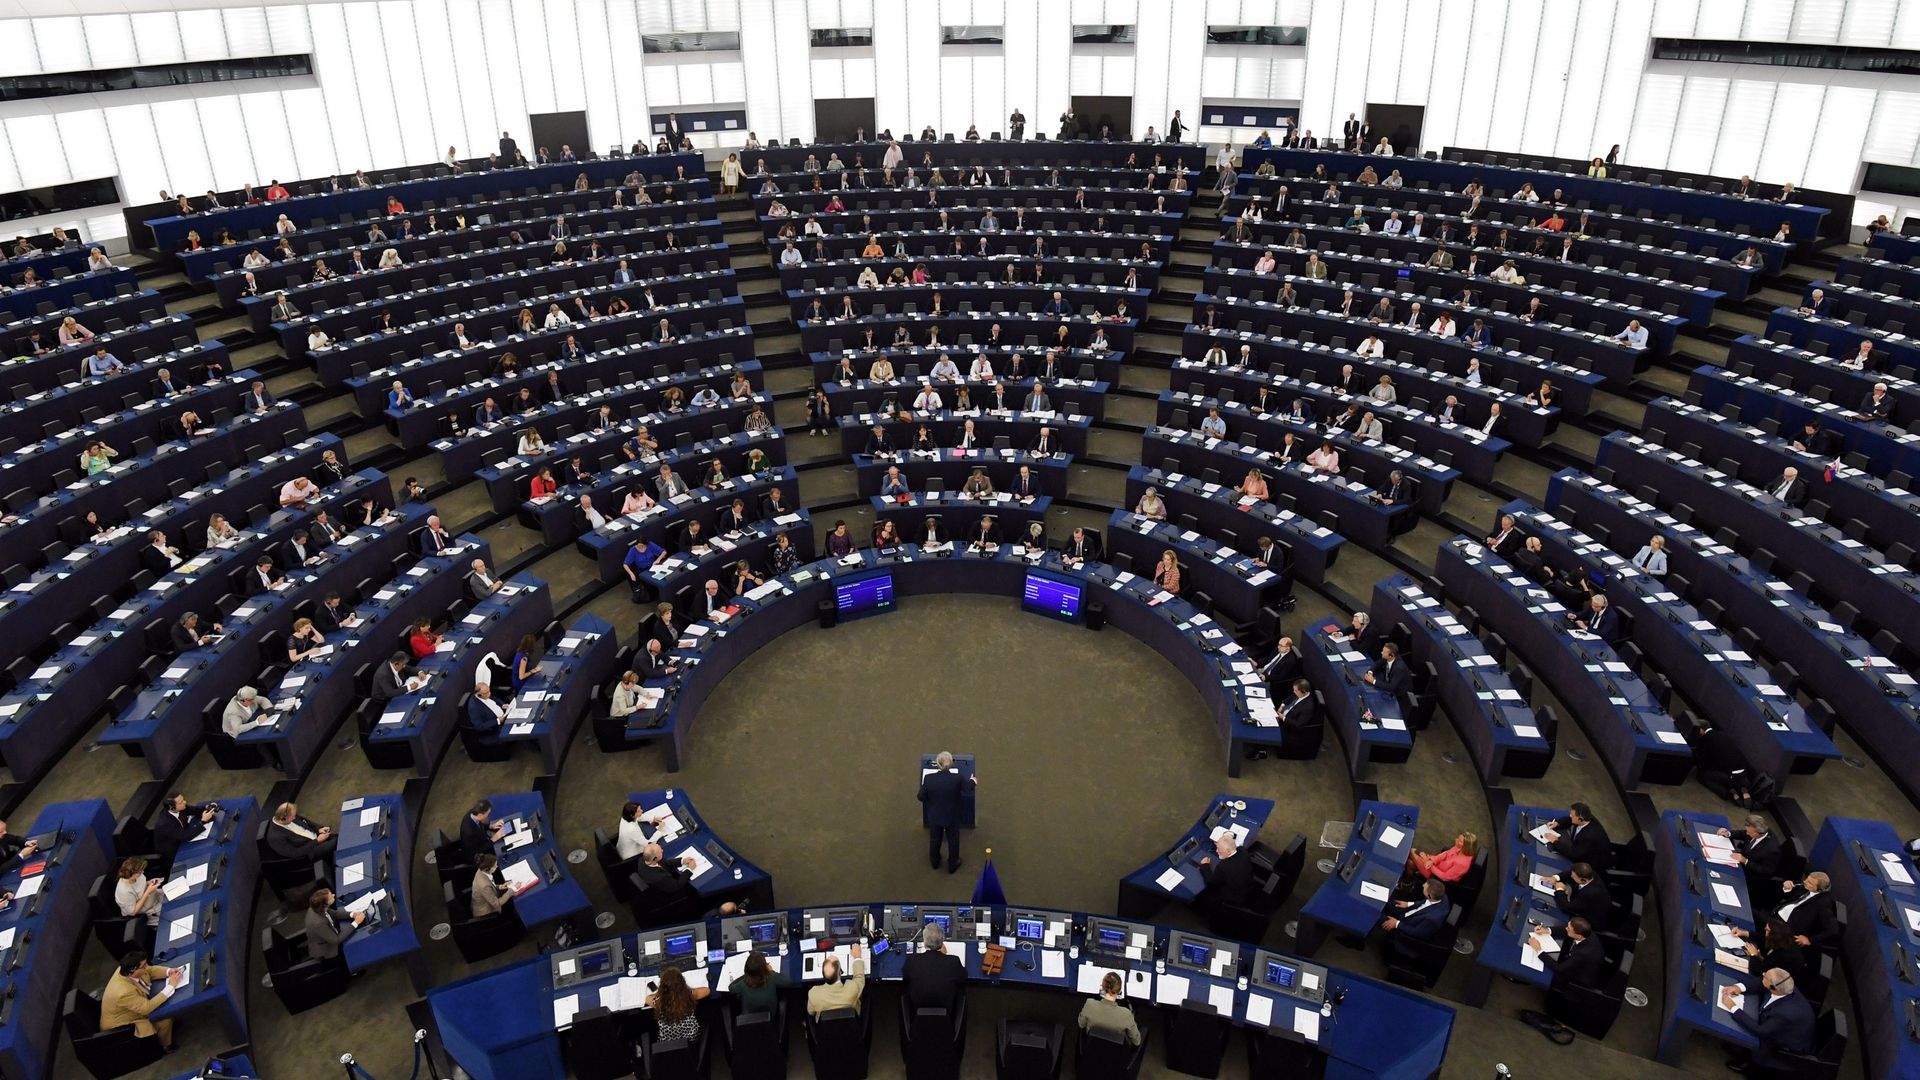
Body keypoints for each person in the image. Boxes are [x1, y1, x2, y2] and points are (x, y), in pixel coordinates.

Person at [1721, 968, 1815, 1073]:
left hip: (1784, 1046)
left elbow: (1760, 1030)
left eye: (1766, 976)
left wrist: (1733, 1008)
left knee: (1755, 1041)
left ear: (1773, 988)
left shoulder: (1785, 1013)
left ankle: (1750, 1065)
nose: (1763, 974)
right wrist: (1739, 988)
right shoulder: (1783, 986)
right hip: (1782, 1025)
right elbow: (1761, 982)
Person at [101, 951, 185, 1050]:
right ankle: (166, 1046)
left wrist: (169, 971)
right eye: (144, 966)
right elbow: (146, 1008)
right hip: (123, 1025)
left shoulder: (128, 969)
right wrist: (171, 986)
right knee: (165, 1019)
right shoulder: (122, 992)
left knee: (165, 1006)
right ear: (132, 970)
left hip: (133, 1009)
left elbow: (150, 970)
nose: (147, 967)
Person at [919, 751, 974, 873]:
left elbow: (921, 796)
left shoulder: (928, 778)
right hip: (952, 816)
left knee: (935, 839)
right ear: (951, 764)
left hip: (935, 815)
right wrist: (973, 780)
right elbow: (968, 787)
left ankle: (935, 861)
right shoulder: (957, 778)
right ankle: (953, 864)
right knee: (953, 839)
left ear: (937, 764)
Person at [1380, 879, 1451, 960]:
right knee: (1385, 900)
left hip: (1404, 929)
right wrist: (1409, 904)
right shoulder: (1441, 896)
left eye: (1424, 887)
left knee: (1376, 916)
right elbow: (1426, 902)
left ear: (1430, 895)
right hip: (1408, 912)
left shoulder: (1432, 919)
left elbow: (1416, 932)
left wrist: (1396, 924)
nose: (1423, 885)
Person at [903, 922, 967, 1010]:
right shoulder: (953, 961)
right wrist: (945, 956)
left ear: (924, 942)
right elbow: (963, 978)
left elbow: (905, 978)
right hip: (946, 1008)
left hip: (917, 1007)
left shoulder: (912, 960)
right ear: (942, 942)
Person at [1723, 814, 1784, 896]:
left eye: (1749, 832)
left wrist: (1745, 861)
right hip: (1739, 859)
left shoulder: (1772, 850)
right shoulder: (1756, 831)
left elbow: (1767, 871)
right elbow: (1744, 834)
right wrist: (1729, 833)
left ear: (1758, 833)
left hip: (1749, 874)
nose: (1747, 834)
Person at [1078, 971, 1141, 1045]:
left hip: (1092, 1047)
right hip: (1115, 1052)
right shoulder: (1126, 1015)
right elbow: (1137, 1041)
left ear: (1102, 988)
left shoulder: (1090, 1004)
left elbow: (1081, 1024)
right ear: (1119, 991)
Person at [1544, 803, 1611, 871]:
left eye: (1572, 815)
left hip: (1591, 863)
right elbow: (1570, 820)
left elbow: (1574, 854)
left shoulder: (1588, 837)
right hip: (1581, 849)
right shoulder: (1586, 818)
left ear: (1580, 819)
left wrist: (1555, 841)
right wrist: (1557, 823)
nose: (1570, 816)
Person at [305, 886, 366, 960]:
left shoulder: (318, 907)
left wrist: (352, 914)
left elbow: (334, 914)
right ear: (325, 904)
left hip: (330, 933)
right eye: (331, 897)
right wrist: (356, 922)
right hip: (327, 949)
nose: (334, 895)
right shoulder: (318, 923)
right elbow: (336, 940)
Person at [1197, 833, 1255, 910]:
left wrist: (1205, 865)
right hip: (1248, 886)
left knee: (1206, 893)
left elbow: (1211, 881)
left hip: (1235, 895)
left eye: (1219, 849)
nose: (1217, 851)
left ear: (1228, 851)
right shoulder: (1243, 851)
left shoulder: (1223, 866)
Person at [808, 945, 868, 1017]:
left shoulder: (813, 994)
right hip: (851, 1024)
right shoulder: (852, 989)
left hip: (825, 1026)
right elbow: (859, 977)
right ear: (840, 972)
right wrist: (857, 957)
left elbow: (811, 1012)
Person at [267, 801, 335, 861]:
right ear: (283, 819)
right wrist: (317, 841)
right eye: (292, 817)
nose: (294, 818)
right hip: (310, 851)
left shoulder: (289, 815)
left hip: (317, 836)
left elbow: (306, 821)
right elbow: (295, 853)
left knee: (341, 837)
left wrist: (319, 829)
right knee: (336, 842)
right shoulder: (275, 837)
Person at [115, 856, 164, 930]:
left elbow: (141, 884)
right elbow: (133, 911)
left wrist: (149, 882)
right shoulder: (124, 891)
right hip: (148, 910)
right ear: (132, 873)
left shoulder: (136, 876)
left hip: (154, 896)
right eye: (140, 872)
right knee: (172, 913)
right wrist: (148, 892)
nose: (142, 872)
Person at [1407, 833, 1477, 883]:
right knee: (1410, 863)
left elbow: (1445, 877)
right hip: (1434, 865)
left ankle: (1407, 883)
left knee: (1411, 852)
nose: (1456, 840)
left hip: (1436, 876)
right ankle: (1407, 884)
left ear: (1466, 846)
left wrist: (1427, 862)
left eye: (1460, 841)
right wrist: (1432, 861)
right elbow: (1445, 854)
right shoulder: (1459, 848)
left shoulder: (1462, 864)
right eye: (1458, 838)